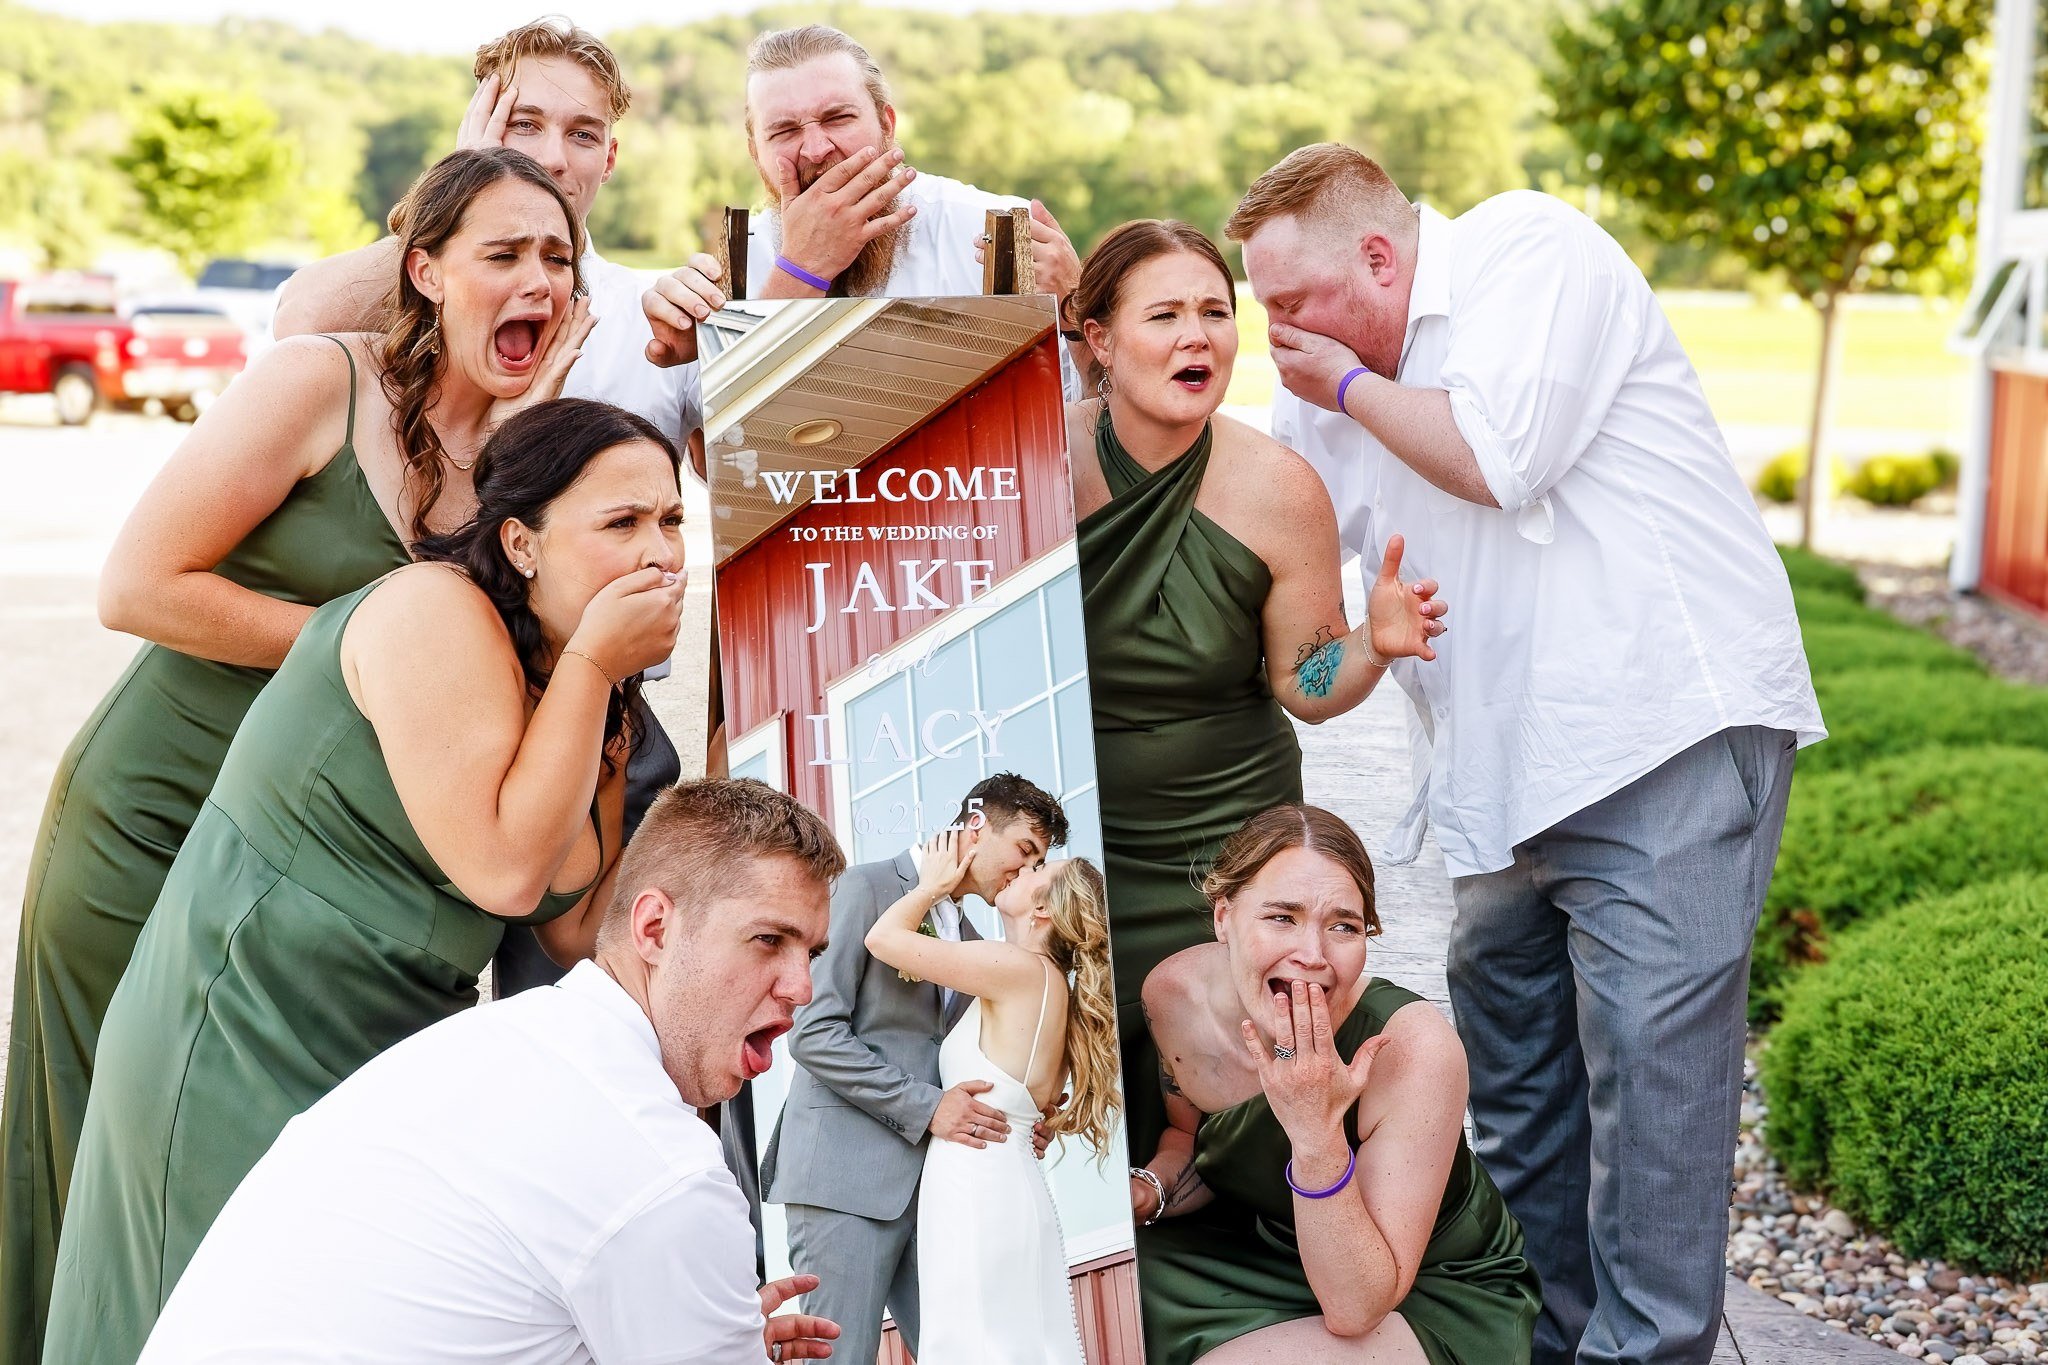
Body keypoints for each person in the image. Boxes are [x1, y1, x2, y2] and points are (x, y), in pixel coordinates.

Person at [1228, 144, 1825, 1364]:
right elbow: (1275, 510)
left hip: (1661, 736)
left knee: (1652, 1103)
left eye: (1288, 303)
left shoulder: (1527, 249)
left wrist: (1341, 383)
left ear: (1380, 258)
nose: (1275, 335)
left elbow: (1501, 461)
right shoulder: (1323, 372)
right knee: (1520, 1105)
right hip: (1499, 785)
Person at [0, 145, 592, 1364]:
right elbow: (136, 585)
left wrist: (533, 458)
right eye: (503, 255)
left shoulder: (533, 468)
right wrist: (368, 655)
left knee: (281, 1216)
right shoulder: (323, 381)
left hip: (331, 874)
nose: (537, 277)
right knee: (104, 1169)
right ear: (423, 273)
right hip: (156, 815)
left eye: (557, 259)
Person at [41, 398, 688, 1365]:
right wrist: (597, 662)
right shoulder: (433, 612)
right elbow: (506, 871)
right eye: (622, 524)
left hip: (387, 1043)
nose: (661, 553)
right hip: (249, 1015)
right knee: (209, 1310)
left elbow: (566, 929)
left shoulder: (587, 691)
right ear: (520, 541)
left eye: (673, 520)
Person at [131, 779, 844, 1365]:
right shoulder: (662, 1170)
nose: (801, 986)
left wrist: (684, 1325)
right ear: (654, 928)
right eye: (767, 939)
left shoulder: (500, 1044)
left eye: (810, 951)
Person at [272, 17, 694, 996]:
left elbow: (764, 483)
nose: (550, 154)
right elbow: (298, 319)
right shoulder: (437, 288)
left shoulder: (653, 310)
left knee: (598, 1020)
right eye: (524, 124)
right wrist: (461, 180)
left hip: (597, 726)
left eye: (581, 133)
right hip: (434, 727)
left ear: (611, 155)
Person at [1065, 218, 1447, 1159]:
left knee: (1232, 1101)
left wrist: (1371, 645)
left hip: (1227, 841)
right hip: (1071, 828)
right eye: (1165, 315)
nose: (1199, 336)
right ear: (1099, 340)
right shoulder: (1032, 464)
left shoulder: (1280, 487)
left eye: (1214, 311)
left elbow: (1305, 681)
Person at [1132, 804, 1540, 1364]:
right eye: (1281, 917)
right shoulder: (1175, 995)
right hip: (1256, 1252)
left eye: (1343, 926)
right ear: (1224, 915)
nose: (1312, 955)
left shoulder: (1416, 1049)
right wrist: (1148, 1192)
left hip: (1411, 1289)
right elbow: (1191, 1145)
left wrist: (1316, 1130)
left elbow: (1356, 1306)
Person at [758, 773, 1069, 1365]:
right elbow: (814, 1033)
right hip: (844, 1178)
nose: (1024, 871)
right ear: (977, 824)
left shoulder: (976, 940)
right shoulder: (868, 887)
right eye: (1025, 850)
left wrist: (1017, 1114)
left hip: (937, 1194)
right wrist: (929, 1108)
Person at [640, 22, 1085, 409]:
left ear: (886, 124)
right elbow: (726, 462)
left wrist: (1077, 309)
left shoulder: (996, 231)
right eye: (784, 130)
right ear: (755, 151)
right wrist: (801, 269)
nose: (816, 149)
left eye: (837, 118)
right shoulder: (730, 271)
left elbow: (1087, 416)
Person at [863, 833, 1120, 1364]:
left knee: (976, 1343)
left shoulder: (1015, 967)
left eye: (1038, 871)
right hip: (1005, 1182)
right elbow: (1035, 1110)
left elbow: (883, 938)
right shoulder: (1052, 988)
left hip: (975, 1188)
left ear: (1043, 906)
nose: (1021, 873)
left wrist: (931, 887)